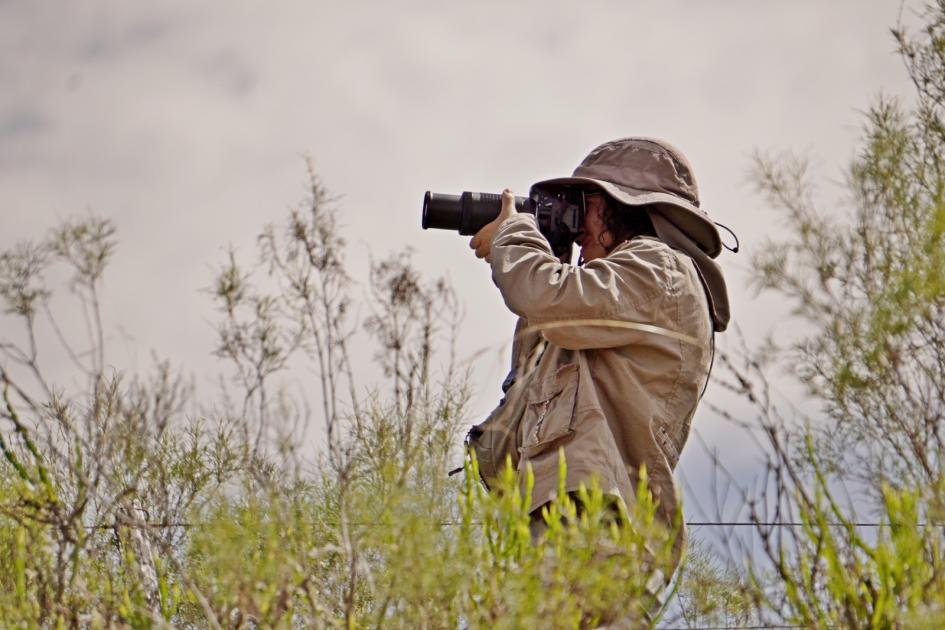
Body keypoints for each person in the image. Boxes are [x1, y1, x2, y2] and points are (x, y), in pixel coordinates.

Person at [468, 137, 730, 609]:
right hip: (566, 526)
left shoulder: (661, 269)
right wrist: (547, 253)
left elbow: (549, 300)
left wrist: (515, 236)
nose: (575, 221)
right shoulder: (607, 306)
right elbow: (528, 386)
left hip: (590, 528)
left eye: (584, 205)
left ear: (625, 208)